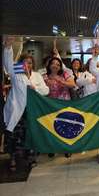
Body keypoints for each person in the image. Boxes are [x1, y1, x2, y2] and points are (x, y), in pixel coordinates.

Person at [3, 37, 49, 170]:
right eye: (24, 62)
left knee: (30, 135)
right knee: (14, 136)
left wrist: (35, 88)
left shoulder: (37, 76)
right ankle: (13, 159)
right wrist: (8, 48)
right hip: (17, 111)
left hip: (31, 111)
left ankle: (31, 158)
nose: (27, 65)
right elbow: (7, 63)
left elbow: (46, 90)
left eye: (30, 63)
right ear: (20, 64)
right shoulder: (16, 74)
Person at [43, 57, 76, 158]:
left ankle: (67, 148)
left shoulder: (65, 74)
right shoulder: (44, 76)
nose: (55, 66)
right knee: (51, 127)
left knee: (65, 127)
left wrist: (62, 81)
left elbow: (73, 84)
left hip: (64, 105)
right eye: (53, 63)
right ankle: (52, 148)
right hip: (50, 106)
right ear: (49, 65)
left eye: (58, 64)